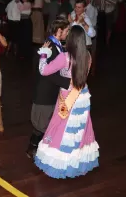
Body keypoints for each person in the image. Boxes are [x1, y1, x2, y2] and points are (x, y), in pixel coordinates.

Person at [34, 25, 99, 179]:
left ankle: (61, 162)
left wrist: (44, 54)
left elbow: (43, 70)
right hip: (82, 96)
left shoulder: (65, 57)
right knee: (80, 128)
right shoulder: (88, 56)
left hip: (67, 96)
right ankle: (78, 160)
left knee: (61, 127)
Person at [26, 18, 71, 158]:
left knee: (44, 123)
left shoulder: (55, 45)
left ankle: (36, 150)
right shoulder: (50, 47)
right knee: (41, 124)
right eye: (66, 30)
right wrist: (68, 82)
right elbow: (47, 73)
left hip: (49, 92)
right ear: (59, 31)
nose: (68, 33)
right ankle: (33, 150)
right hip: (44, 93)